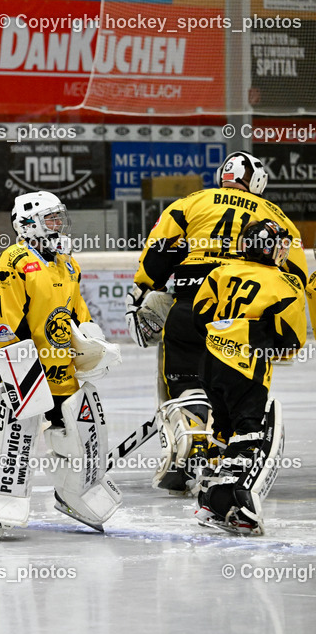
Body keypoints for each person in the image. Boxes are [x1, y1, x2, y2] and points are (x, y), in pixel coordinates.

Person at [126, 151, 310, 492]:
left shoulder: (192, 201)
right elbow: (295, 275)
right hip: (244, 318)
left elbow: (159, 251)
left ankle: (191, 442)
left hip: (192, 301)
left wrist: (142, 287)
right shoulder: (276, 215)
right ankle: (226, 453)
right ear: (257, 181)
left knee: (182, 379)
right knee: (236, 390)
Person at [0, 191, 123, 535]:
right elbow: (1, 327)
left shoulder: (68, 263)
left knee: (81, 435)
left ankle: (75, 493)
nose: (59, 225)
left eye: (59, 218)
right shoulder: (12, 263)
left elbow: (76, 317)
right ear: (28, 224)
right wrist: (18, 376)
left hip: (61, 371)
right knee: (17, 439)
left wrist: (91, 346)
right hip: (19, 372)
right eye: (51, 219)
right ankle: (3, 502)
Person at [191, 220, 305, 536]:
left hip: (210, 364)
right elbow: (291, 341)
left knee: (223, 431)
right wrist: (255, 337)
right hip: (246, 368)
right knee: (249, 435)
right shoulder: (285, 282)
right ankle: (236, 505)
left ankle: (209, 501)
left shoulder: (221, 271)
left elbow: (200, 318)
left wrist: (226, 332)